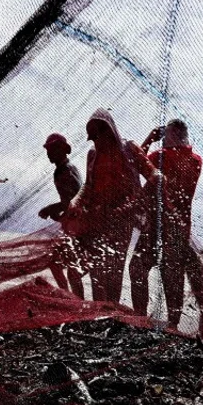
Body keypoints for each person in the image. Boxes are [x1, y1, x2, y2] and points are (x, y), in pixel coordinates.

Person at [67, 109, 154, 303]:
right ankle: (97, 314)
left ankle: (111, 315)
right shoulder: (93, 155)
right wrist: (76, 202)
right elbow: (88, 186)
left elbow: (154, 177)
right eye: (93, 138)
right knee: (95, 273)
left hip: (121, 221)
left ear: (110, 131)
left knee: (114, 272)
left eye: (99, 136)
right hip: (96, 220)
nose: (96, 142)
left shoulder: (129, 149)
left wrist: (132, 204)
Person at [128, 119, 202, 328]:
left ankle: (139, 316)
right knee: (173, 274)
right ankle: (173, 324)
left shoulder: (159, 157)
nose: (163, 138)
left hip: (155, 224)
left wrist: (150, 137)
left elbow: (135, 163)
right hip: (179, 226)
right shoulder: (196, 160)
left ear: (171, 135)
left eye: (165, 134)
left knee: (137, 267)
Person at [38, 133, 85, 299]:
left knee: (70, 269)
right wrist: (56, 213)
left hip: (78, 228)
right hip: (73, 225)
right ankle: (71, 299)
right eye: (48, 150)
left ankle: (75, 302)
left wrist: (50, 209)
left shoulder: (65, 170)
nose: (49, 153)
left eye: (52, 149)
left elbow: (71, 202)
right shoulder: (63, 169)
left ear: (61, 150)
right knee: (62, 265)